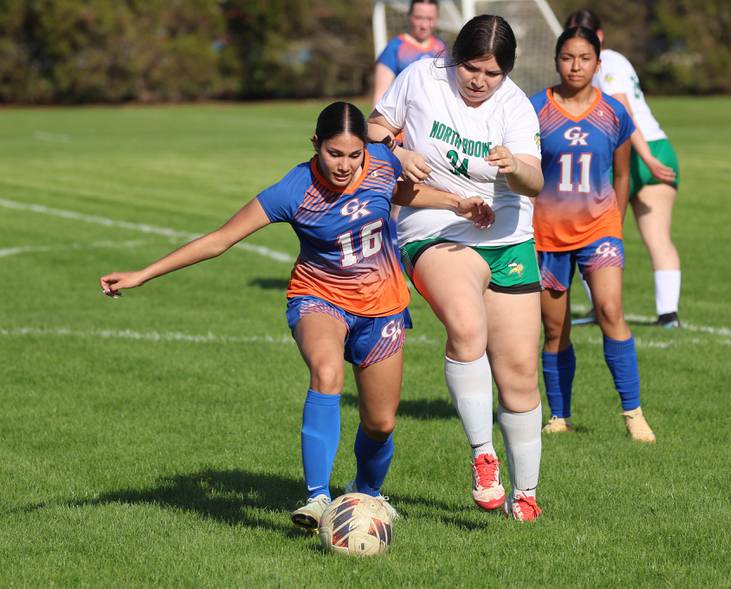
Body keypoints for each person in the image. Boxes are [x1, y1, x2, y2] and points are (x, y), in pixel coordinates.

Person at [98, 102, 493, 531]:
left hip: (383, 306)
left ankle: (367, 494)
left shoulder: (381, 162)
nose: (344, 165)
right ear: (315, 146)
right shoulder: (293, 190)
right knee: (326, 372)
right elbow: (219, 240)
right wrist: (142, 274)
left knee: (380, 423)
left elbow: (398, 192)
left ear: (365, 150)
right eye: (333, 154)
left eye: (353, 154)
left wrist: (455, 203)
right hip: (318, 297)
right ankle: (318, 497)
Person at [368, 15, 546, 522]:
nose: (478, 81)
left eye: (491, 74)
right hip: (435, 226)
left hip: (508, 238)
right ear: (455, 59)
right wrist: (396, 151)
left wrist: (514, 165)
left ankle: (526, 492)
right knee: (467, 327)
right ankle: (483, 454)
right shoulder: (421, 78)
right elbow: (373, 131)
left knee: (518, 373)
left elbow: (535, 182)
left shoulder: (513, 105)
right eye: (471, 68)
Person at [529, 26, 656, 442]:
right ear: (556, 61)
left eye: (585, 58)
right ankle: (559, 416)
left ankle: (633, 413)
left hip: (600, 230)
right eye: (567, 57)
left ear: (598, 64)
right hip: (546, 234)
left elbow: (622, 173)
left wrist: (613, 224)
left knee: (609, 310)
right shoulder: (535, 110)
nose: (576, 65)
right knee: (554, 329)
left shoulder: (614, 112)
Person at [566, 9, 683, 328]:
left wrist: (647, 160)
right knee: (655, 238)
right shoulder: (618, 60)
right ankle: (667, 316)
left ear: (599, 37)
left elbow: (624, 113)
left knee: (590, 235)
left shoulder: (607, 64)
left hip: (638, 153)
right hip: (657, 145)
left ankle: (601, 308)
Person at [372, 0, 446, 107]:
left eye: (430, 18)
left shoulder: (441, 47)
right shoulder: (394, 47)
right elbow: (380, 95)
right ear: (409, 16)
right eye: (418, 18)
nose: (424, 25)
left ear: (437, 19)